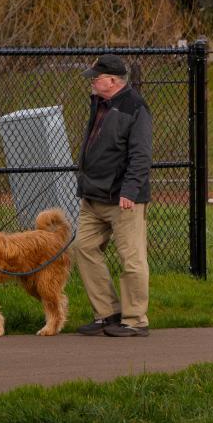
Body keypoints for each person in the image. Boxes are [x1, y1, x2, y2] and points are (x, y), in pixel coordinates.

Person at [73, 54, 153, 337]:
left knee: (132, 260)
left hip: (123, 199)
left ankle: (134, 320)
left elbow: (141, 156)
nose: (92, 82)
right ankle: (107, 313)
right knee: (83, 247)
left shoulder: (135, 108)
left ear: (112, 81)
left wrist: (130, 190)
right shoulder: (99, 103)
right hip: (93, 196)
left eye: (96, 78)